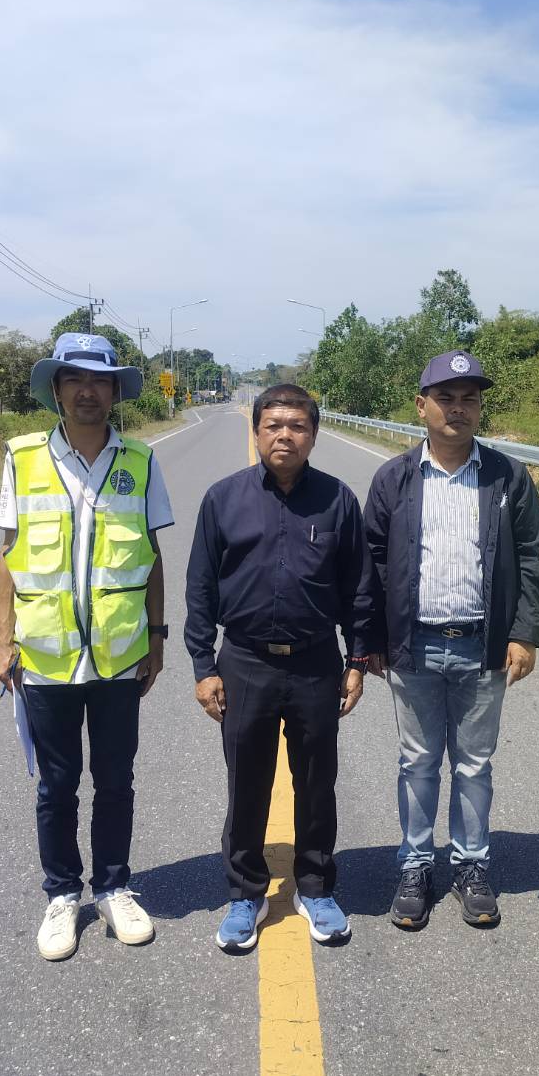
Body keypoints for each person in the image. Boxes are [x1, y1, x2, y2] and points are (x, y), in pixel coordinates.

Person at [0, 333, 173, 961]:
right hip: (46, 658)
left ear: (116, 392)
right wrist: (1, 641)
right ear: (57, 390)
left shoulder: (142, 462)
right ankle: (63, 894)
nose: (87, 391)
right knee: (57, 784)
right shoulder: (22, 458)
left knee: (116, 780)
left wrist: (156, 637)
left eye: (100, 380)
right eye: (74, 379)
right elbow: (9, 555)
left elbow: (152, 556)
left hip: (120, 656)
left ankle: (115, 888)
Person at [185, 383, 377, 952]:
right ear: (256, 432)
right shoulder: (223, 499)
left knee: (317, 782)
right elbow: (200, 587)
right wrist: (203, 665)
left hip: (317, 662)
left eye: (297, 426)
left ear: (314, 435)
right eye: (273, 425)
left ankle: (314, 886)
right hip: (243, 662)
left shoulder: (338, 500)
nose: (284, 436)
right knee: (247, 781)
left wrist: (357, 660)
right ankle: (246, 892)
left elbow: (359, 587)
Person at [363, 350, 539, 930]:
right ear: (422, 407)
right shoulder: (395, 477)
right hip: (413, 645)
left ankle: (471, 865)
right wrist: (370, 637)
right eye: (445, 398)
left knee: (474, 765)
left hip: (482, 645)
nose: (458, 408)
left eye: (469, 398)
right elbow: (371, 561)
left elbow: (530, 557)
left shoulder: (507, 476)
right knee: (417, 762)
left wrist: (524, 634)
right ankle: (416, 865)